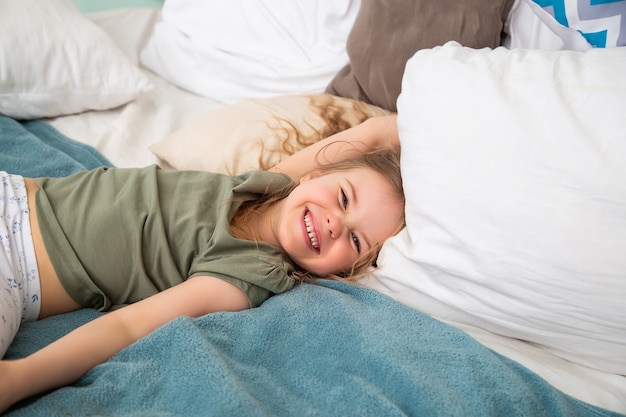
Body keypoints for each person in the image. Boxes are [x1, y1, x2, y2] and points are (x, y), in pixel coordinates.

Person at [0, 114, 402, 412]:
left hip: (16, 268)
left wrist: (19, 378)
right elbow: (377, 133)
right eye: (345, 198)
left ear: (341, 271)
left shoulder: (251, 272)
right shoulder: (267, 185)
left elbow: (127, 325)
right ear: (312, 175)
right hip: (13, 191)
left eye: (354, 239)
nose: (335, 222)